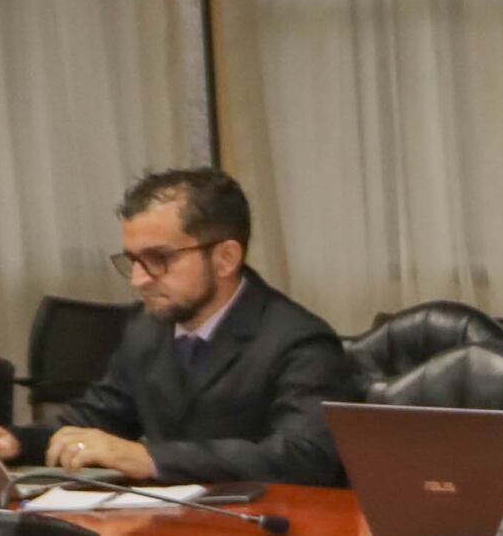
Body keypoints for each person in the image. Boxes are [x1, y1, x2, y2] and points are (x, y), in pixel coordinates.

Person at [37, 165, 358, 488]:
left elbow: (304, 455)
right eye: (132, 261)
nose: (138, 279)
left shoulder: (297, 340)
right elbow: (93, 421)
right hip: (166, 513)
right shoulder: (146, 328)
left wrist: (151, 459)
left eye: (159, 259)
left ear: (225, 258)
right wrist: (15, 442)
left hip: (262, 515)